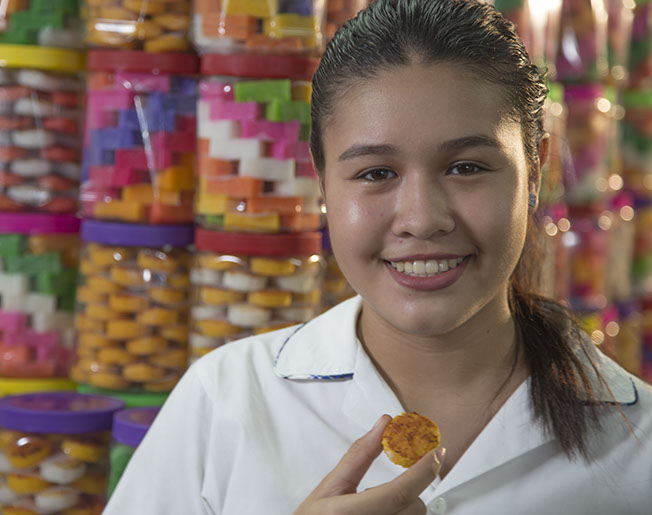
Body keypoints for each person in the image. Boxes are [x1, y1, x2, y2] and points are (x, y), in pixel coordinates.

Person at [105, 1, 652, 513]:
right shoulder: (226, 397)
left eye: (466, 167)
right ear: (322, 185)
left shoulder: (638, 445)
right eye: (376, 173)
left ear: (535, 171)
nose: (421, 218)